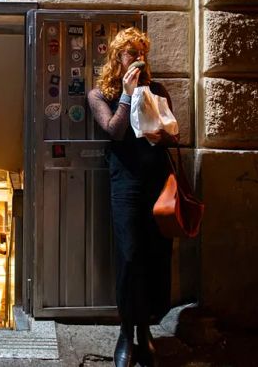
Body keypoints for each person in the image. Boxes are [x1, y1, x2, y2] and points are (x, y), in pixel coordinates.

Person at [87, 27, 178, 367]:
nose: (137, 59)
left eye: (141, 53)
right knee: (129, 255)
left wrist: (164, 133)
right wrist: (126, 94)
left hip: (156, 180)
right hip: (125, 183)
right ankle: (126, 331)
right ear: (116, 57)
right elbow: (114, 129)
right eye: (130, 53)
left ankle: (145, 330)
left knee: (155, 254)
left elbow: (173, 133)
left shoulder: (155, 90)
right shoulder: (101, 94)